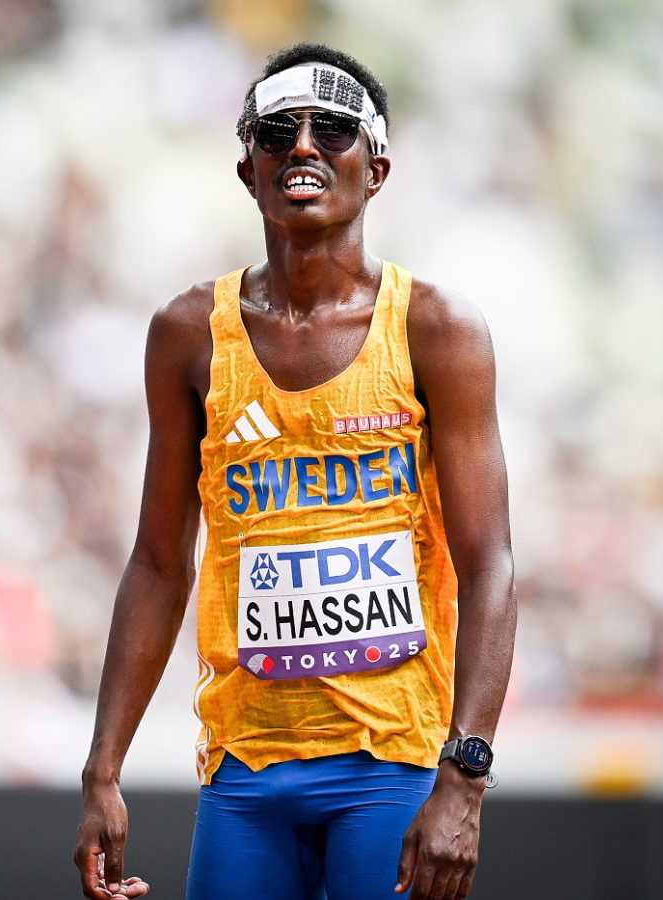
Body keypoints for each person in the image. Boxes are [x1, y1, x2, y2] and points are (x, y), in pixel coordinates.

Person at [73, 43, 517, 900]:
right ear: (250, 169)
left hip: (391, 765)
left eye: (333, 129)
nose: (304, 145)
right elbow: (159, 564)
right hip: (246, 770)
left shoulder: (437, 330)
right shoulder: (188, 335)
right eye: (278, 131)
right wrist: (103, 771)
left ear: (376, 168)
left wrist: (464, 780)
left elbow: (489, 563)